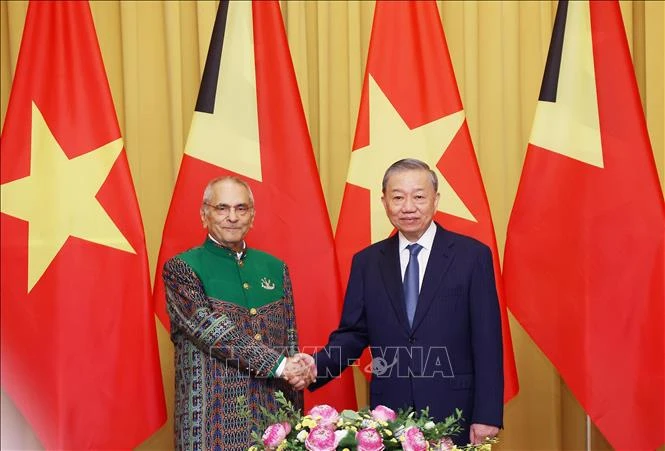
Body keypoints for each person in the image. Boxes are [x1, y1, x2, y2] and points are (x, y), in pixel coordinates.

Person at [309, 159, 503, 445]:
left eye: (419, 197)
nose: (408, 207)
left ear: (436, 200)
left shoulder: (472, 256)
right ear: (385, 202)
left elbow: (487, 341)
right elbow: (353, 334)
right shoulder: (367, 262)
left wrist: (487, 414)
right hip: (389, 415)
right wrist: (313, 368)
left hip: (455, 411)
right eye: (398, 197)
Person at [162, 176, 313, 451]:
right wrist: (282, 366)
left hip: (275, 421)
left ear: (252, 216)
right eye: (222, 208)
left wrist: (298, 376)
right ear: (204, 214)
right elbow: (213, 332)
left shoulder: (275, 268)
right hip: (212, 424)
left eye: (241, 208)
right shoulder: (182, 268)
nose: (232, 217)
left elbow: (290, 341)